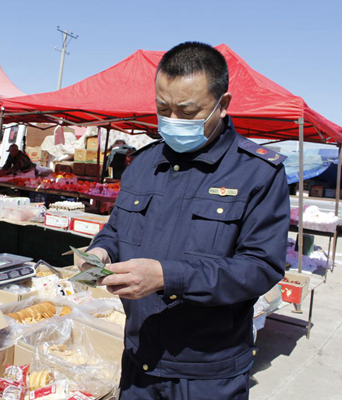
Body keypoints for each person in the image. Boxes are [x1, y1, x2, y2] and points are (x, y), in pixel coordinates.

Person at [79, 42, 289, 399]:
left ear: (222, 104)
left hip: (207, 374)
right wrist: (100, 252)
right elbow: (116, 229)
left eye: (188, 112)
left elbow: (260, 268)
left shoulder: (258, 173)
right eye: (163, 109)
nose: (173, 120)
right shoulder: (143, 165)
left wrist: (168, 276)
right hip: (139, 362)